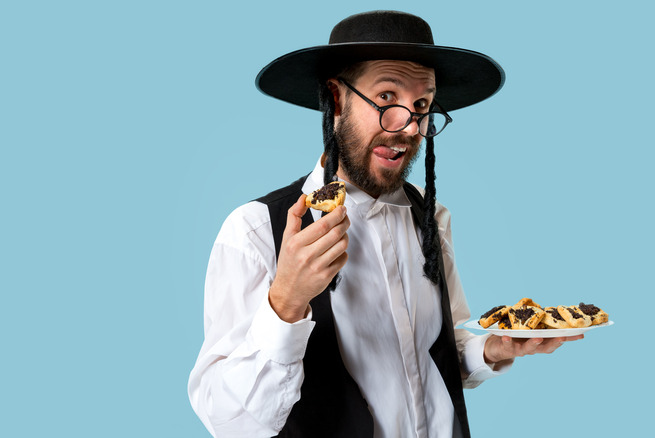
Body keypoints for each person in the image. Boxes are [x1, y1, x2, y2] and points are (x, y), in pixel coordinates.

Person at [188, 10, 583, 438]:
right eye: (386, 99)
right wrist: (285, 302)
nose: (408, 127)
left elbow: (438, 351)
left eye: (421, 105)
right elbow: (228, 422)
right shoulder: (255, 230)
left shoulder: (432, 218)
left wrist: (492, 348)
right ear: (335, 98)